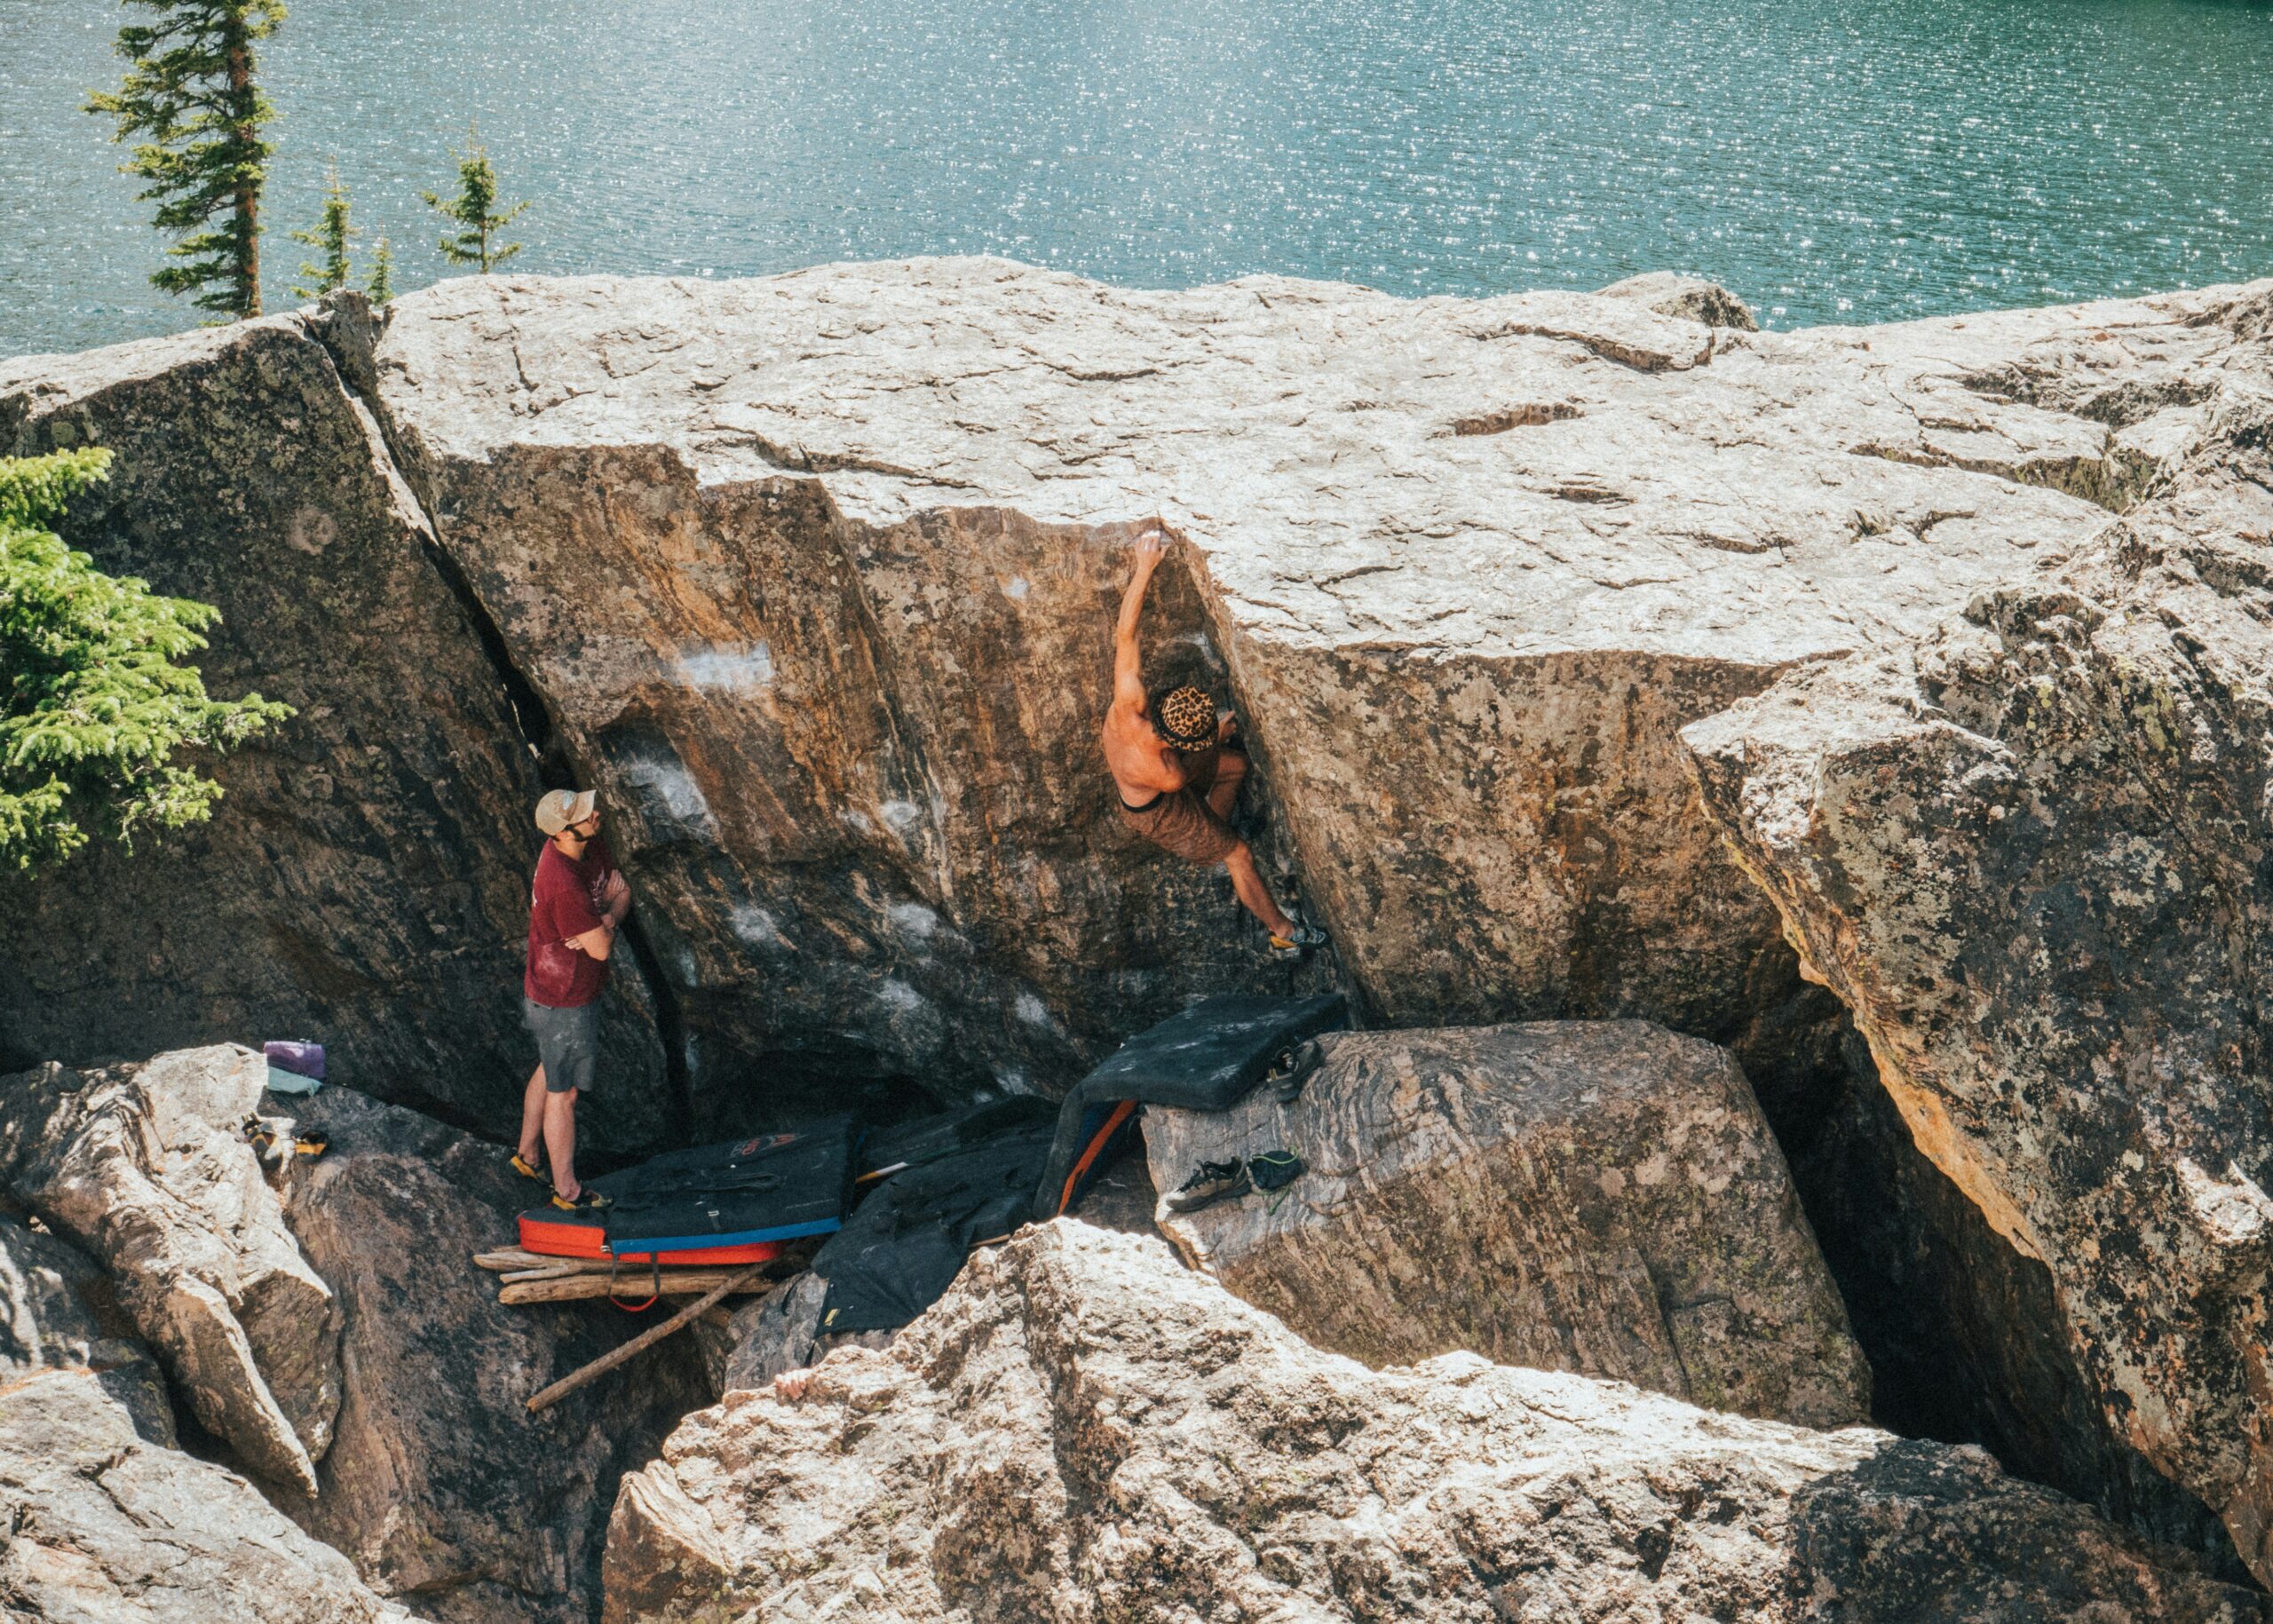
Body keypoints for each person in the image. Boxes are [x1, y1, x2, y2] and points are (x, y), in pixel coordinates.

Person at [1103, 525, 1327, 958]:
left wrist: (1144, 566)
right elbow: (1182, 775)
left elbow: (1125, 636)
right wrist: (1216, 737)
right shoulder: (1166, 773)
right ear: (1177, 742)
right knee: (1238, 853)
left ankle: (1211, 835)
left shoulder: (1128, 705)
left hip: (1156, 779)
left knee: (1235, 768)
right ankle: (1283, 931)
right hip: (1155, 813)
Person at [512, 788, 630, 1208]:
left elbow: (622, 892)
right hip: (562, 999)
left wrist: (607, 919)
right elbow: (600, 948)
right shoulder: (561, 883)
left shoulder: (589, 846)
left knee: (550, 1068)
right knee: (565, 1095)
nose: (595, 814)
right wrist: (607, 921)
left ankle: (527, 1155)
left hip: (565, 989)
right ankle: (568, 1191)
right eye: (584, 814)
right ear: (564, 833)